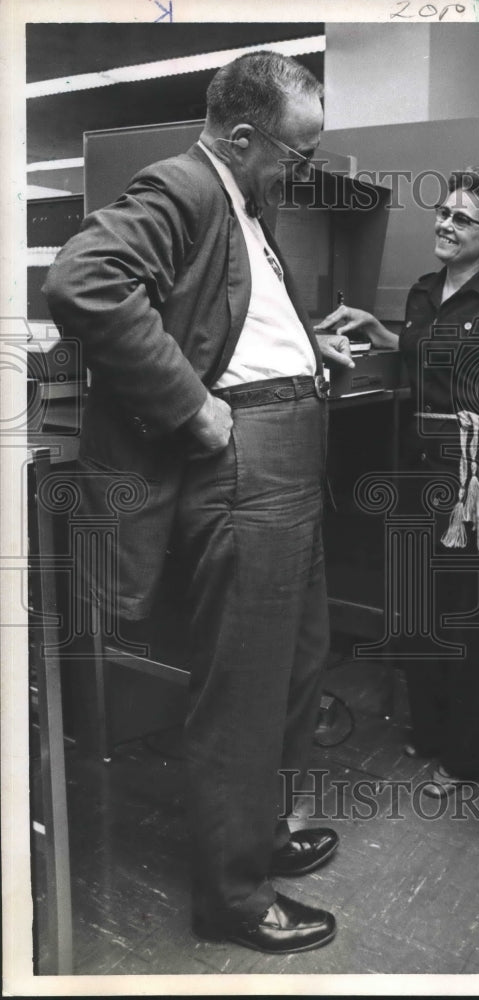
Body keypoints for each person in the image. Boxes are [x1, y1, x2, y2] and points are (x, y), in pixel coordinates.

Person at [43, 52, 357, 954]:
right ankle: (232, 897)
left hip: (287, 458)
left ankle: (254, 838)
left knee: (299, 661)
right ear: (244, 136)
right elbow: (82, 283)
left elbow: (228, 320)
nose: (305, 172)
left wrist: (306, 348)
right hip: (245, 465)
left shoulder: (245, 203)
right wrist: (192, 406)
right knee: (245, 689)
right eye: (298, 154)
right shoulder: (183, 183)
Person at [316, 167, 479, 797]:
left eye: (461, 219)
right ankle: (432, 730)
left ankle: (468, 758)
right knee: (419, 612)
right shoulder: (422, 292)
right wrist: (376, 329)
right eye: (442, 212)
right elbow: (423, 357)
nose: (444, 224)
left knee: (470, 623)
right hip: (419, 472)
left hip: (476, 473)